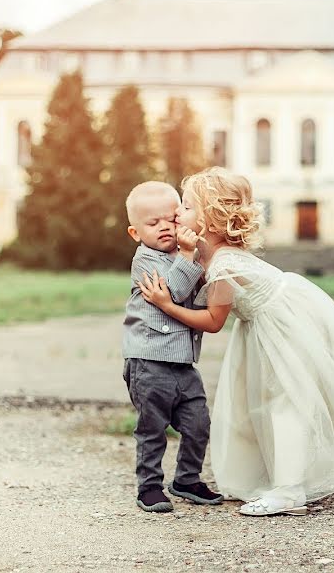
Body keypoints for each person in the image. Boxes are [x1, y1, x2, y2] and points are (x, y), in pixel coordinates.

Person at [139, 168, 334, 517]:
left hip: (284, 323)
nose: (177, 214)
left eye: (187, 207)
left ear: (210, 219)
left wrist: (165, 305)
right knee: (267, 401)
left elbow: (213, 321)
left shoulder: (223, 263)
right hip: (268, 321)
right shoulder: (210, 253)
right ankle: (284, 479)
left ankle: (288, 490)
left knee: (286, 399)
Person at [121, 181, 223, 513]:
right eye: (154, 223)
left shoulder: (181, 253)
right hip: (148, 362)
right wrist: (189, 254)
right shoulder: (145, 262)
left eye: (170, 219)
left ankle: (187, 479)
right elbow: (177, 292)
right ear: (135, 233)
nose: (165, 227)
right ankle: (149, 487)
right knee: (152, 428)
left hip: (182, 363)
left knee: (198, 423)